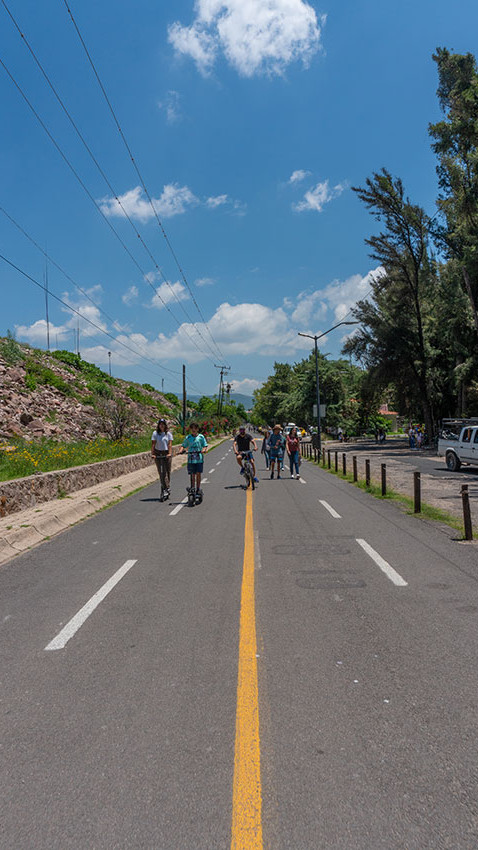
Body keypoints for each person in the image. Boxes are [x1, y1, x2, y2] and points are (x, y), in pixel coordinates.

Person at [181, 422, 208, 496]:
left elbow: (205, 445)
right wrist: (181, 450)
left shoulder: (201, 437)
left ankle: (198, 488)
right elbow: (183, 445)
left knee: (198, 473)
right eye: (192, 428)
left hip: (199, 459)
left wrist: (204, 449)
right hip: (191, 459)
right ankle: (192, 487)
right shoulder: (188, 437)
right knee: (192, 474)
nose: (193, 430)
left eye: (195, 428)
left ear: (197, 429)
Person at [151, 418, 173, 501]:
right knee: (161, 472)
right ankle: (166, 488)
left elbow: (170, 444)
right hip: (158, 453)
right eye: (160, 424)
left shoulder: (168, 434)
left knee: (167, 472)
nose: (162, 426)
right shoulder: (155, 433)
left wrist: (169, 453)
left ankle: (167, 488)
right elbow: (153, 444)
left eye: (163, 424)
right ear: (158, 425)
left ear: (165, 425)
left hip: (166, 453)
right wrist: (153, 454)